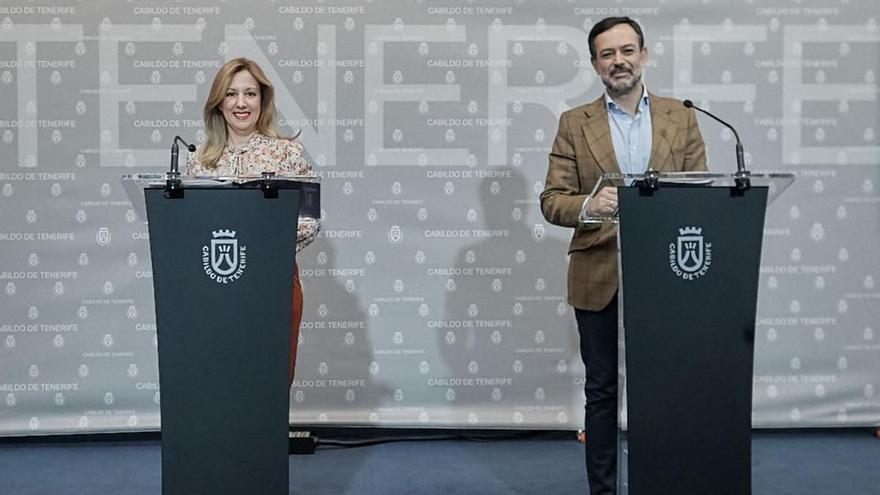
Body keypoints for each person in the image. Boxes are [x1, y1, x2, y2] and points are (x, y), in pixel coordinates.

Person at [540, 17, 707, 495]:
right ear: (595, 64)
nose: (619, 61)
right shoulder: (574, 124)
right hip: (599, 272)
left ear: (644, 55)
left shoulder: (683, 115)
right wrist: (590, 206)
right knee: (602, 392)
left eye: (627, 50)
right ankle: (605, 490)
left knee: (668, 392)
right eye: (608, 54)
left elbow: (702, 191)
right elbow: (552, 200)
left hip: (671, 274)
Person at [186, 57, 321, 387]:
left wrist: (259, 242)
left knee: (267, 383)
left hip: (272, 281)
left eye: (250, 94)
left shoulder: (288, 153)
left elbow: (309, 220)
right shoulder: (198, 160)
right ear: (219, 103)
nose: (241, 103)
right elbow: (184, 227)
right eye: (231, 94)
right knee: (218, 383)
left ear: (263, 100)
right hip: (213, 287)